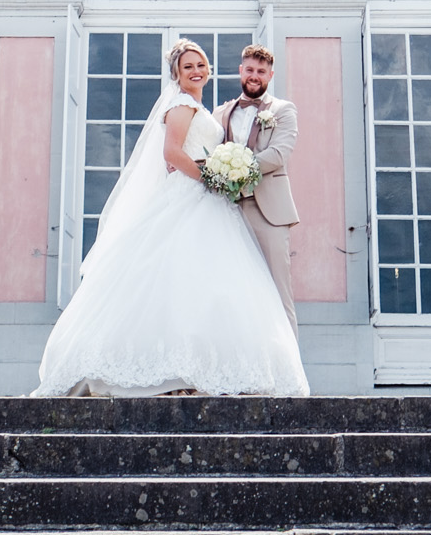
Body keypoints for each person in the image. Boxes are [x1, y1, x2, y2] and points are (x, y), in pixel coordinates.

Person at [32, 39, 308, 397]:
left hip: (249, 206)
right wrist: (212, 178)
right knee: (180, 278)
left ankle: (245, 368)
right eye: (188, 66)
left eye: (201, 64)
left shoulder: (268, 110)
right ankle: (177, 370)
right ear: (177, 74)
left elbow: (275, 153)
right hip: (202, 195)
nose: (197, 71)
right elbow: (173, 153)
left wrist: (225, 174)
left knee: (242, 290)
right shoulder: (187, 105)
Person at [214, 43, 300, 334]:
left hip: (269, 213)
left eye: (261, 71)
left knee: (279, 293)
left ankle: (290, 378)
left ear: (270, 75)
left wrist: (236, 169)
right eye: (249, 69)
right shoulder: (221, 113)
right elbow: (209, 155)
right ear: (240, 71)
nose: (254, 76)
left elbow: (278, 155)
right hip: (227, 212)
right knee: (233, 292)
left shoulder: (283, 110)